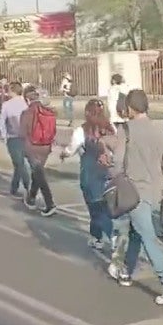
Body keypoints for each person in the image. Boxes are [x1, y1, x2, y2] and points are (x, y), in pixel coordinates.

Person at [110, 88, 163, 304]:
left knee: (147, 237)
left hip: (135, 193)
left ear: (130, 108)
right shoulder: (160, 132)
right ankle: (126, 272)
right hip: (155, 193)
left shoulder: (126, 130)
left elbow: (117, 162)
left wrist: (113, 177)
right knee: (137, 232)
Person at [61, 99, 116, 249]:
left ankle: (111, 235)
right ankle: (96, 235)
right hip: (108, 173)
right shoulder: (111, 129)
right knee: (103, 206)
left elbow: (71, 149)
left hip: (90, 173)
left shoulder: (82, 130)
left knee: (95, 208)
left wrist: (63, 154)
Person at [19, 86, 57, 216]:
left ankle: (50, 203)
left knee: (39, 175)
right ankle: (31, 198)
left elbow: (22, 133)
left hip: (32, 147)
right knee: (38, 172)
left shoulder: (27, 113)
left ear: (27, 100)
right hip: (46, 147)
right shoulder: (48, 111)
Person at [0, 80, 31, 197]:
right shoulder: (26, 103)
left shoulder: (6, 105)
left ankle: (28, 187)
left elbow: (2, 121)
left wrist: (4, 136)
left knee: (19, 163)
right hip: (27, 137)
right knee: (19, 164)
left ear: (12, 91)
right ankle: (14, 187)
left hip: (13, 137)